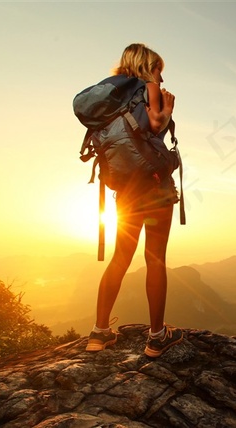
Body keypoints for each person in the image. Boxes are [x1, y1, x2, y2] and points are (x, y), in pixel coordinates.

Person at [85, 43, 184, 358]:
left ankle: (99, 333)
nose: (162, 79)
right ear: (148, 66)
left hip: (125, 190)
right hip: (155, 188)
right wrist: (167, 109)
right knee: (154, 258)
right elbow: (155, 125)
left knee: (120, 258)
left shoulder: (111, 98)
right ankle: (157, 338)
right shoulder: (149, 87)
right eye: (159, 70)